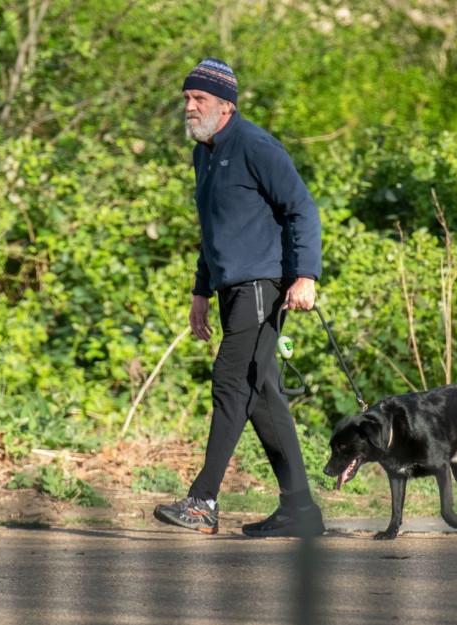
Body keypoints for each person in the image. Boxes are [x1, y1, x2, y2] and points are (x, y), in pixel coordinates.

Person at [153, 58, 325, 538]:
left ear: (225, 106)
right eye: (186, 98)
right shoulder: (203, 153)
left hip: (262, 287)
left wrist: (305, 275)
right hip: (230, 288)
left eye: (199, 99)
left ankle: (203, 500)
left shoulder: (256, 146)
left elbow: (302, 210)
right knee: (262, 394)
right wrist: (200, 289)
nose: (189, 106)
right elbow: (213, 229)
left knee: (231, 381)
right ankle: (299, 510)